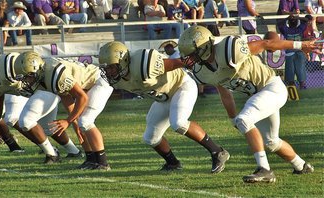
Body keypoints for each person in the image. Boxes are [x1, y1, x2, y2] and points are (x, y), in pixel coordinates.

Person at [178, 25, 320, 183]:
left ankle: (264, 169)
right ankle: (302, 166)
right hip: (258, 95)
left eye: (192, 54)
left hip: (271, 87)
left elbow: (266, 43)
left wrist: (301, 46)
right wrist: (232, 117)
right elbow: (224, 92)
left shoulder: (229, 49)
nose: (190, 59)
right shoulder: (202, 71)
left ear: (203, 47)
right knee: (272, 142)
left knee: (245, 119)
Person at [98, 41, 230, 172]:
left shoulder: (141, 63)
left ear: (123, 61)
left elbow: (174, 63)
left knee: (179, 123)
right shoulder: (116, 79)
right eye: (106, 68)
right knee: (150, 138)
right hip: (163, 97)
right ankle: (173, 163)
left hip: (181, 86)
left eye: (111, 67)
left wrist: (187, 62)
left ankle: (217, 152)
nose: (108, 72)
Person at [0, 50, 83, 163]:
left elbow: (28, 64)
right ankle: (74, 151)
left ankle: (52, 154)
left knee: (26, 121)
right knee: (48, 126)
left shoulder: (7, 66)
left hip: (45, 87)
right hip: (34, 93)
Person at [13, 52, 114, 169]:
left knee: (86, 121)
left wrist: (68, 121)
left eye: (27, 76)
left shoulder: (53, 73)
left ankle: (102, 162)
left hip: (98, 81)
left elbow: (82, 97)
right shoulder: (44, 76)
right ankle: (91, 159)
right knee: (81, 125)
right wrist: (74, 122)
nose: (26, 81)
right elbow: (65, 96)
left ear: (36, 70)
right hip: (87, 85)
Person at [278, 14, 309, 89]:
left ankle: (291, 86)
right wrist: (297, 17)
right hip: (299, 51)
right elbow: (307, 19)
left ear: (289, 23)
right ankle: (302, 85)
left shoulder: (286, 30)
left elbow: (279, 24)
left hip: (290, 53)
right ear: (297, 22)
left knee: (290, 70)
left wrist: (287, 18)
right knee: (301, 68)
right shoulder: (300, 29)